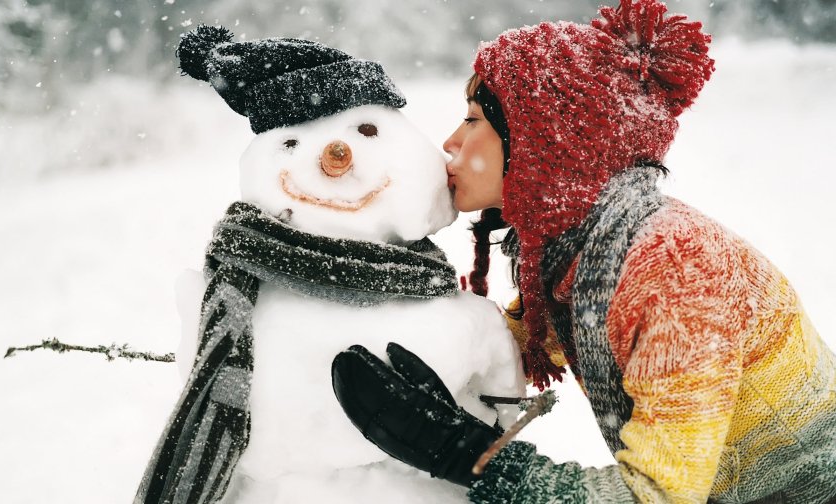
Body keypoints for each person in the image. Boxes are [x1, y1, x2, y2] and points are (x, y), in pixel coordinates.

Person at [330, 0, 836, 502]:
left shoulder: (673, 269)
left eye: (474, 119)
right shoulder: (581, 256)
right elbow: (508, 343)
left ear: (543, 140)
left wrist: (468, 456)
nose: (450, 141)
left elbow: (655, 497)